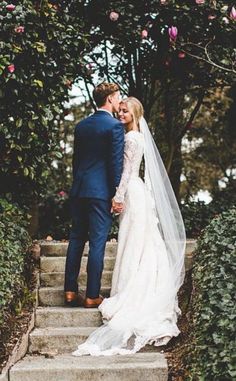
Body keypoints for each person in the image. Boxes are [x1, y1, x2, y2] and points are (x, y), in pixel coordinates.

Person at [72, 96, 186, 356]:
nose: (120, 114)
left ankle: (131, 289)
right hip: (137, 191)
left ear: (135, 114)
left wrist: (118, 197)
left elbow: (126, 171)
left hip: (131, 192)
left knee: (133, 240)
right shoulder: (136, 136)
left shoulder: (132, 138)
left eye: (125, 111)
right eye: (120, 110)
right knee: (137, 240)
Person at [64, 82, 124, 308]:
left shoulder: (82, 126)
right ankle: (91, 295)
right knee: (97, 242)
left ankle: (70, 291)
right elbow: (115, 165)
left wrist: (77, 185)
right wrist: (116, 193)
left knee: (77, 239)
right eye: (118, 97)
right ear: (109, 99)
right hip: (100, 192)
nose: (119, 101)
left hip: (79, 190)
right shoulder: (114, 127)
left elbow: (76, 161)